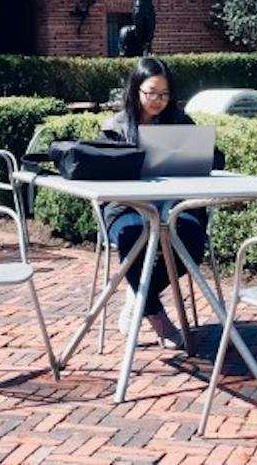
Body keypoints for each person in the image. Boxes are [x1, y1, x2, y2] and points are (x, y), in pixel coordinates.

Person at [99, 56, 217, 349]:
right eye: (151, 92)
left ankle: (139, 294)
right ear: (136, 90)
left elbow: (215, 158)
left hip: (174, 205)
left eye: (164, 94)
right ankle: (156, 314)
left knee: (191, 240)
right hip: (127, 207)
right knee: (132, 238)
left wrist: (195, 154)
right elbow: (103, 174)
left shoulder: (180, 122)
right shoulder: (115, 128)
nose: (158, 101)